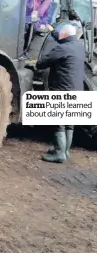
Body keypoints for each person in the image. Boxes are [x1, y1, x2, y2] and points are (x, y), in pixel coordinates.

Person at [35, 22, 85, 163]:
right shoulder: (79, 47)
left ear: (64, 35)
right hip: (76, 89)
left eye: (60, 34)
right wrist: (53, 31)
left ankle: (59, 153)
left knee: (58, 122)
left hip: (62, 89)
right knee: (69, 122)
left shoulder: (61, 49)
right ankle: (65, 151)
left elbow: (42, 62)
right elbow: (62, 37)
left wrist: (36, 63)